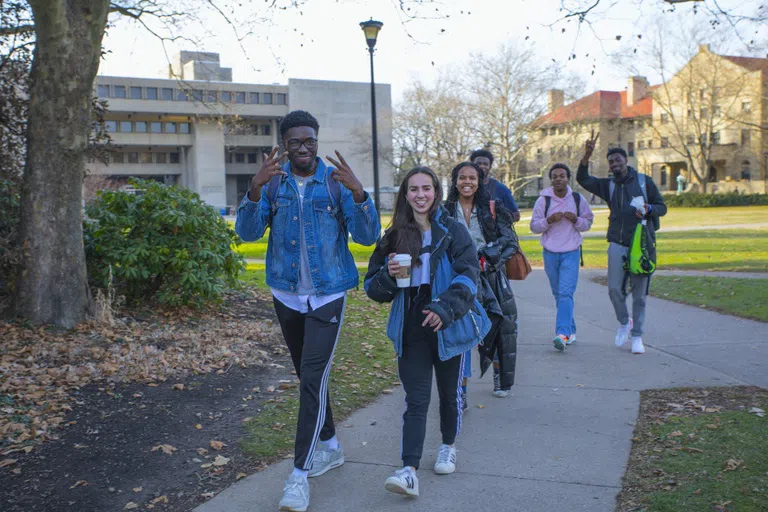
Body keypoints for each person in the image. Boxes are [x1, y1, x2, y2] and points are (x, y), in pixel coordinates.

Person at [235, 110, 381, 512]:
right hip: (286, 295)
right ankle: (331, 445)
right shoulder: (273, 184)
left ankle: (299, 475)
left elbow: (368, 238)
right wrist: (253, 190)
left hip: (328, 295)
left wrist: (359, 194)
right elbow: (247, 233)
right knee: (308, 378)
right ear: (284, 144)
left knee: (312, 380)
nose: (303, 149)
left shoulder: (334, 185)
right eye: (295, 142)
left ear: (317, 141)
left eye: (310, 141)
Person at [364, 166, 490, 498]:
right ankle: (408, 471)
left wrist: (446, 308)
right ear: (405, 195)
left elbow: (469, 275)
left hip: (448, 321)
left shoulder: (451, 230)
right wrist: (389, 276)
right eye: (414, 189)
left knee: (450, 396)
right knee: (416, 400)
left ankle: (448, 445)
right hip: (411, 324)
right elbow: (373, 288)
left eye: (427, 188)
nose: (421, 195)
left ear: (436, 192)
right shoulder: (393, 236)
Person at [576, 130, 667, 355]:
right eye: (611, 162)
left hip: (642, 244)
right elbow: (583, 179)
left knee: (639, 293)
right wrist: (586, 157)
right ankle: (624, 322)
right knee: (614, 289)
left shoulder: (644, 182)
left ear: (626, 160)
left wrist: (649, 209)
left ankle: (637, 337)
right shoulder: (609, 186)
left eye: (617, 160)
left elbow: (662, 207)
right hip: (617, 241)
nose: (614, 164)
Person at [444, 162, 520, 399]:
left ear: (479, 181)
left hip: (491, 277)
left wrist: (488, 257)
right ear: (455, 181)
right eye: (462, 178)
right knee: (463, 331)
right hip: (459, 279)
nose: (467, 182)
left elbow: (510, 242)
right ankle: (461, 390)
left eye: (472, 178)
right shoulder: (445, 210)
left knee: (499, 329)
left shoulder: (492, 207)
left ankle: (500, 378)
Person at [530, 163, 594, 351]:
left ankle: (562, 334)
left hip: (571, 252)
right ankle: (571, 330)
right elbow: (534, 227)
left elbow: (587, 223)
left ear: (568, 179)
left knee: (566, 293)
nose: (558, 179)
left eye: (562, 176)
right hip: (550, 253)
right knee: (559, 294)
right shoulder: (544, 200)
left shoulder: (577, 198)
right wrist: (548, 221)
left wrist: (576, 220)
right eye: (555, 176)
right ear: (551, 179)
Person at [470, 149, 521, 223]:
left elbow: (516, 215)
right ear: (472, 165)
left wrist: (496, 219)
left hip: (493, 233)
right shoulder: (464, 188)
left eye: (485, 164)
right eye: (478, 163)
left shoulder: (500, 188)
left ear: (490, 166)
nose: (482, 166)